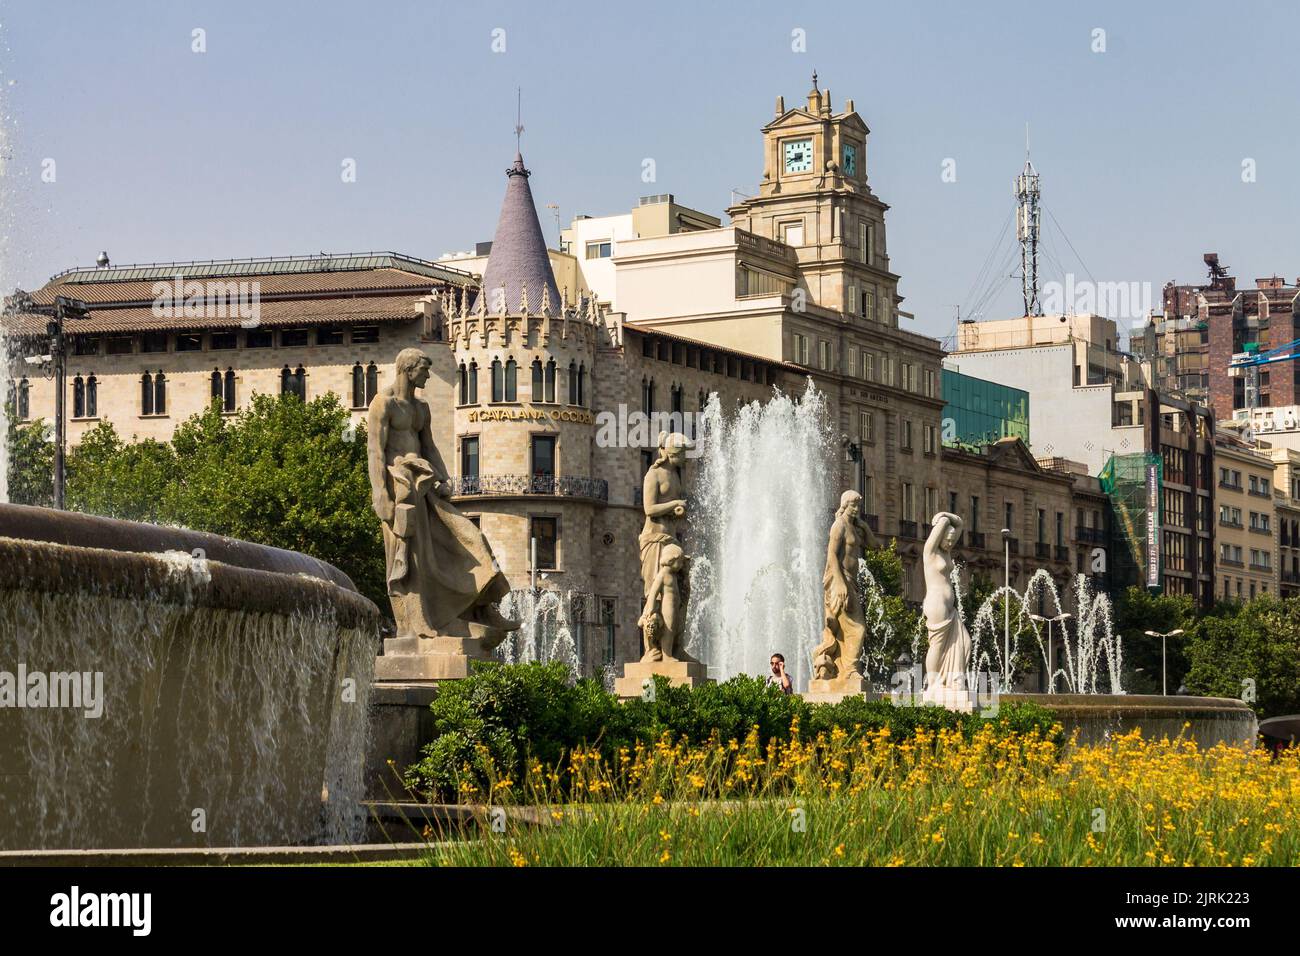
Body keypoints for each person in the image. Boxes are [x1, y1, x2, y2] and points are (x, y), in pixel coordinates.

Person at [367, 347, 518, 645]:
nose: (427, 375)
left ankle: (481, 608)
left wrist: (445, 479)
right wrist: (380, 495)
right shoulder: (383, 404)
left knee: (472, 539)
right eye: (423, 369)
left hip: (428, 488)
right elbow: (375, 450)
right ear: (408, 370)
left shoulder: (422, 409)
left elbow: (430, 447)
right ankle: (417, 624)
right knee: (413, 560)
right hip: (401, 491)